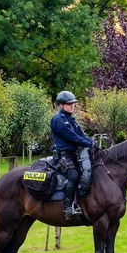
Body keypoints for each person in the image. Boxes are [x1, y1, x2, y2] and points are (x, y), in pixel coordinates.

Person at [50, 91, 95, 221]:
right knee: (73, 175)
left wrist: (91, 142)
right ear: (61, 105)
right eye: (69, 104)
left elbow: (82, 135)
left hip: (74, 156)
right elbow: (72, 137)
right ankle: (68, 208)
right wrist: (87, 143)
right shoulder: (58, 120)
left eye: (73, 104)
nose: (72, 106)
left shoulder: (72, 121)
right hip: (63, 157)